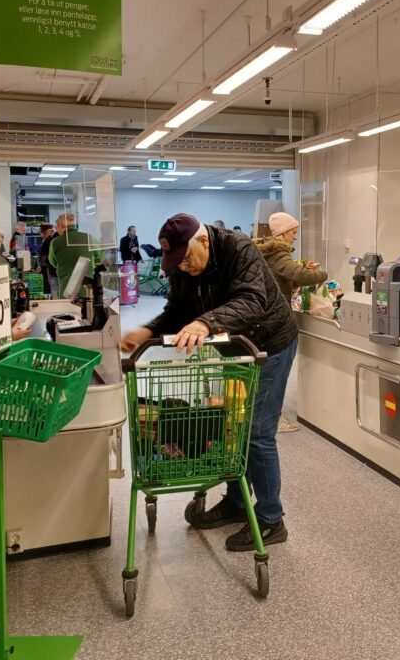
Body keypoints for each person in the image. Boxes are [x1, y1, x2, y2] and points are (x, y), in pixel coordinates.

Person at [120, 213, 298, 551]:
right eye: (177, 262)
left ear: (204, 240)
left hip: (270, 344)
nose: (184, 267)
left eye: (187, 258)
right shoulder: (182, 268)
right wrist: (149, 330)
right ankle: (236, 500)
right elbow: (176, 310)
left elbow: (252, 299)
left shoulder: (238, 248)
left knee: (257, 433)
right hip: (235, 348)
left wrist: (205, 323)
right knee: (234, 427)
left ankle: (271, 519)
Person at [255, 211, 327, 434]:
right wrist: (321, 274)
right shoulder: (278, 254)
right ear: (284, 233)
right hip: (277, 321)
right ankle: (272, 419)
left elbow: (284, 276)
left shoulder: (266, 252)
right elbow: (299, 275)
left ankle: (266, 416)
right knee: (277, 373)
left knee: (268, 375)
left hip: (266, 318)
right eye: (293, 232)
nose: (295, 237)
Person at [48, 213, 98, 298]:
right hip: (87, 287)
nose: (57, 230)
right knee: (87, 307)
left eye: (56, 227)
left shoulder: (55, 242)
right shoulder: (89, 237)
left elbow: (52, 261)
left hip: (66, 288)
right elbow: (99, 256)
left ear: (61, 225)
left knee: (67, 309)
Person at [36, 223, 56, 297]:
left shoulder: (49, 241)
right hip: (48, 269)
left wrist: (41, 265)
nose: (40, 233)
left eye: (41, 231)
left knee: (49, 288)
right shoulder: (48, 240)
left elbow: (45, 256)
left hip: (49, 269)